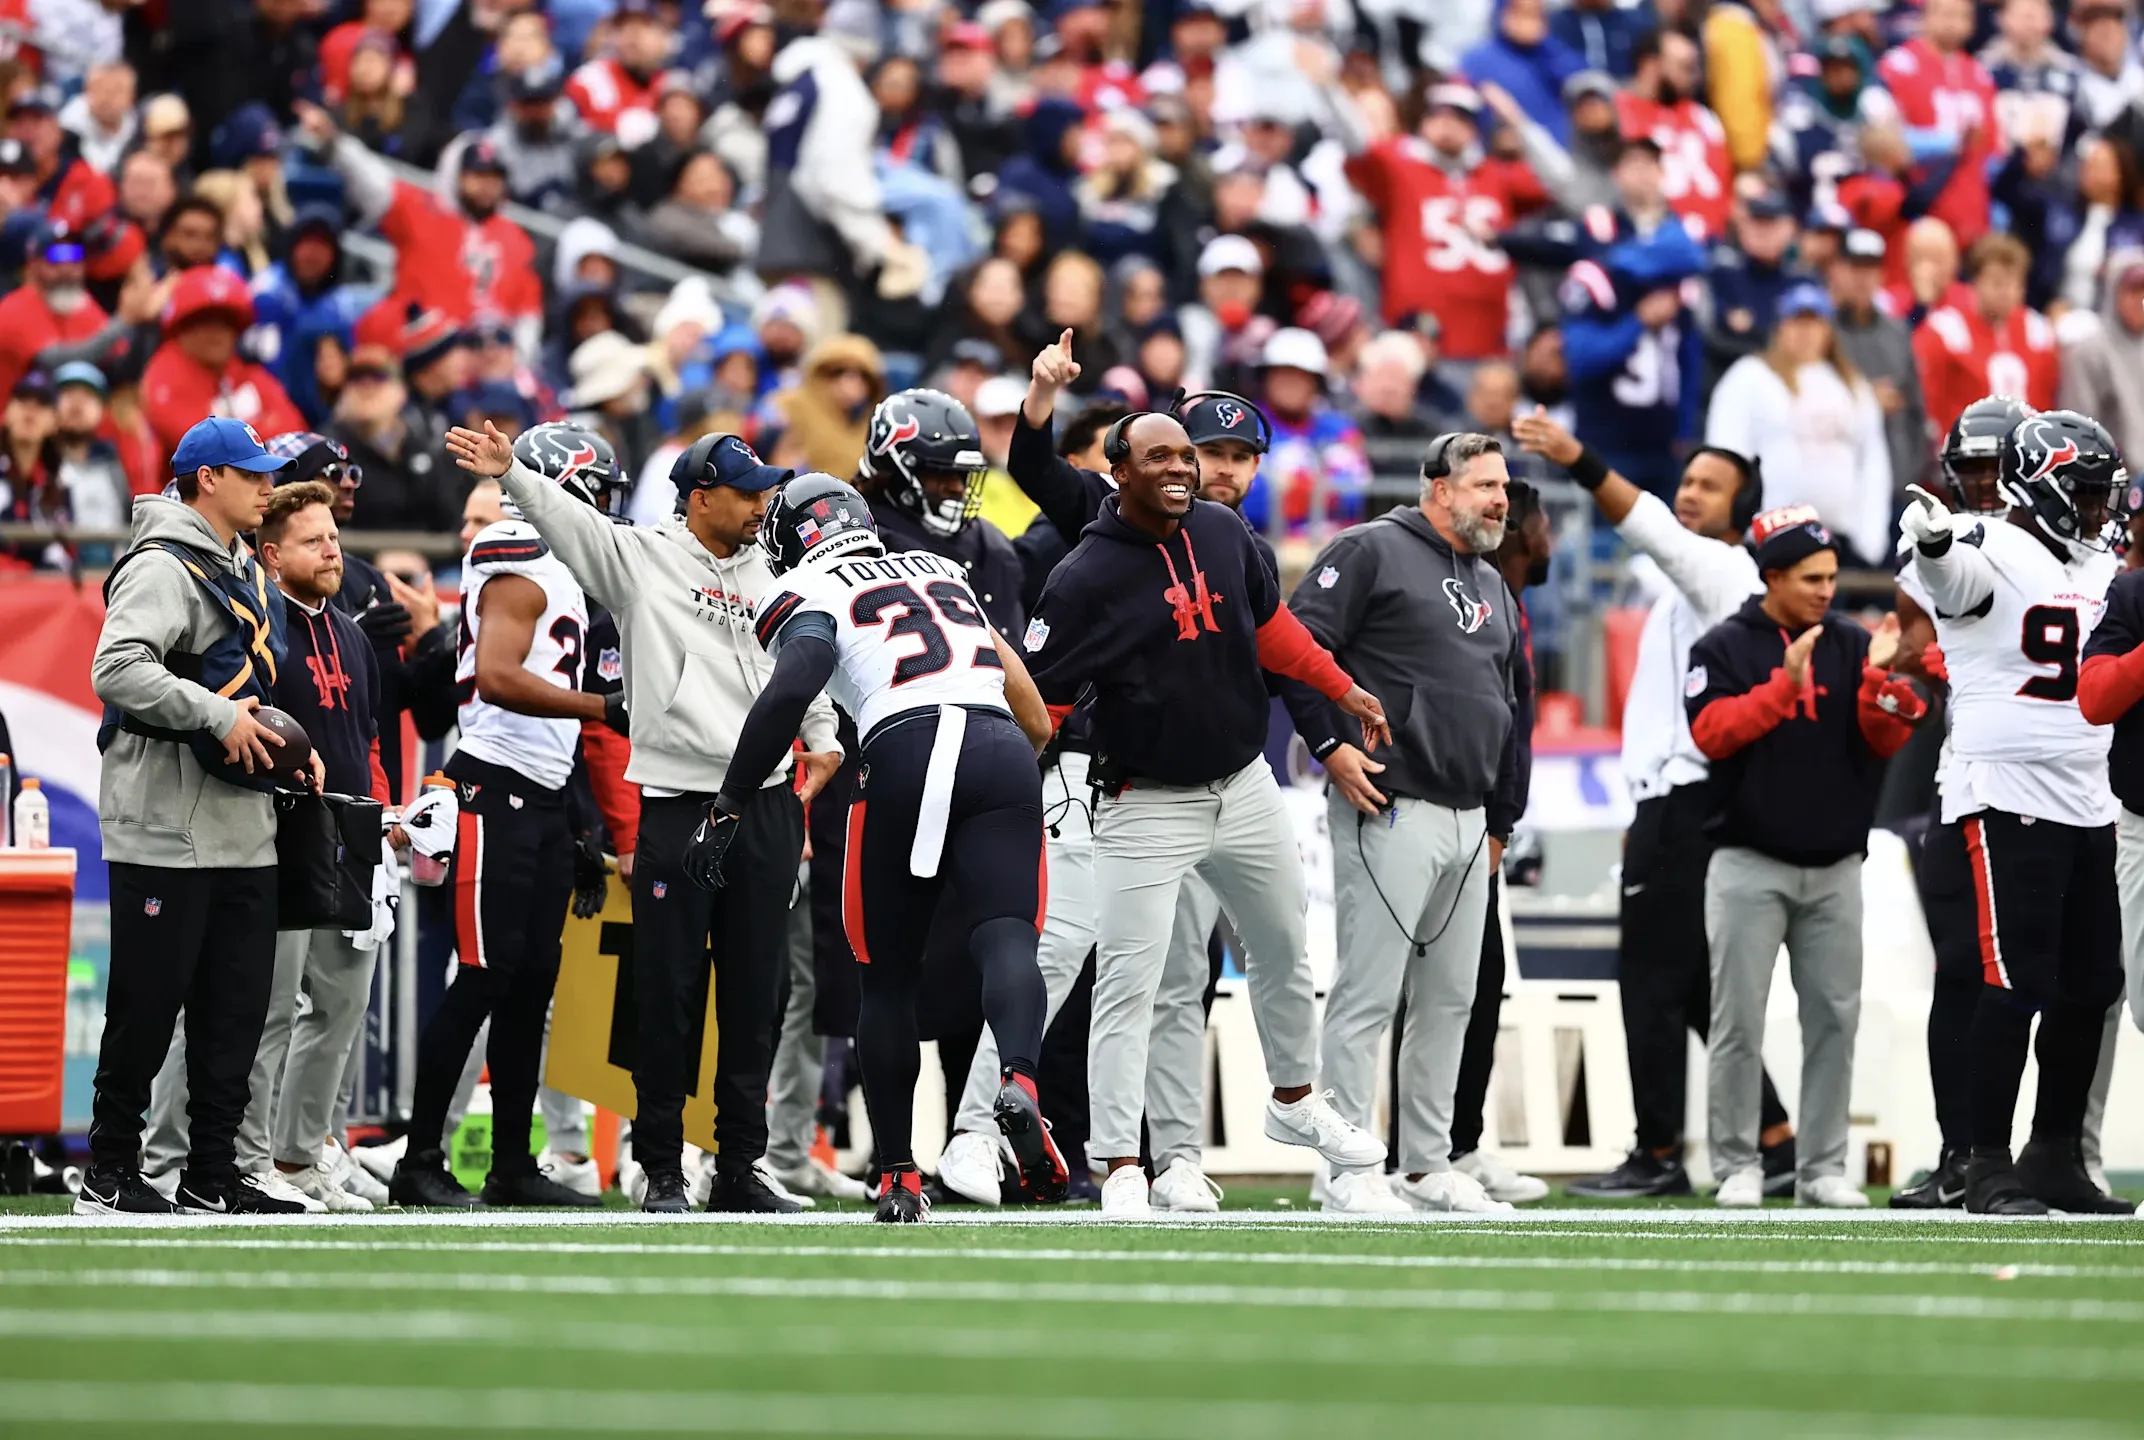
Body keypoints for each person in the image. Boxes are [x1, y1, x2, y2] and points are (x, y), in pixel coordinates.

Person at [444, 423, 842, 1214]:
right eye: (749, 490)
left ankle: (737, 1166)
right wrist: (512, 471)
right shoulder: (639, 557)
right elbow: (572, 522)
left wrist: (823, 736)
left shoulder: (774, 565)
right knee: (667, 996)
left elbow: (804, 657)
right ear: (701, 500)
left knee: (756, 996)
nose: (766, 501)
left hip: (762, 801)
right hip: (679, 803)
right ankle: (661, 1167)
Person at [1021, 409, 1392, 1217]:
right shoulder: (1083, 576)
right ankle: (1122, 1161)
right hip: (1145, 798)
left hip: (1244, 781)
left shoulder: (1224, 532)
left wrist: (1340, 687)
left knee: (1287, 949)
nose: (1181, 468)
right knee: (1130, 981)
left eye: (1186, 456)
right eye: (1159, 457)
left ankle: (1294, 1100)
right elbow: (1034, 694)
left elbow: (1272, 629)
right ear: (1118, 470)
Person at [692, 472, 1063, 1223]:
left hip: (903, 746)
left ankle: (899, 1173)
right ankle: (1020, 1082)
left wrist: (729, 802)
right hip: (998, 743)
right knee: (1007, 937)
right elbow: (1032, 707)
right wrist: (1005, 765)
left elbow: (794, 683)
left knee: (887, 977)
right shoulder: (939, 567)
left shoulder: (804, 584)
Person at [1513, 407, 1795, 1199]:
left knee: (1647, 978)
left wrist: (1579, 456)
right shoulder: (1711, 577)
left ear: (1742, 512)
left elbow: (1652, 529)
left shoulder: (1724, 568)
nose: (1692, 494)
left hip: (1685, 795)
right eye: (1689, 480)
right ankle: (1775, 1138)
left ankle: (1660, 1150)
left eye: (1711, 486)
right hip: (1681, 797)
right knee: (1696, 982)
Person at [1899, 411, 2134, 1215]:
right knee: (2013, 980)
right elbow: (1951, 583)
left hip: (2091, 794)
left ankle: (2053, 1153)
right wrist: (1933, 547)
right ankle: (1984, 1162)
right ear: (2044, 484)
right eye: (2090, 493)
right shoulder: (1986, 544)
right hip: (2007, 791)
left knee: (2094, 983)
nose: (2102, 509)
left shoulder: (2098, 562)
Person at [387, 423, 625, 1211]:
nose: (605, 511)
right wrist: (606, 707)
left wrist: (577, 826)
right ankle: (419, 1160)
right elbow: (495, 674)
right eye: (596, 494)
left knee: (532, 984)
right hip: (493, 788)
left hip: (541, 794)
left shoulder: (560, 563)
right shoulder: (520, 550)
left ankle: (514, 1166)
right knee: (484, 977)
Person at [77, 417, 312, 1216]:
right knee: (146, 1005)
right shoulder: (160, 566)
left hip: (241, 823)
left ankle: (213, 1175)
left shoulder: (242, 565)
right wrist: (217, 716)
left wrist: (289, 744)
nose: (266, 487)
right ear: (206, 479)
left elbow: (245, 688)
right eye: (252, 474)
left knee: (234, 1014)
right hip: (163, 820)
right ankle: (108, 1171)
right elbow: (116, 668)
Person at [1288, 433, 1523, 1214]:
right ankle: (1345, 1169)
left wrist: (1502, 819)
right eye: (1485, 484)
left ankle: (1426, 1165)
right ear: (1437, 486)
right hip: (1390, 804)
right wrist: (1330, 747)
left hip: (1468, 819)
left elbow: (1512, 709)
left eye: (1505, 486)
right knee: (1369, 994)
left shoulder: (1493, 581)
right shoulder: (1368, 550)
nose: (1500, 499)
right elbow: (1296, 647)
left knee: (1451, 999)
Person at [1686, 506, 1926, 1209]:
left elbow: (1885, 739)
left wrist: (1883, 685)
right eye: (1811, 578)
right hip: (1747, 862)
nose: (1827, 589)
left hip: (1835, 867)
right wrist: (1783, 686)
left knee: (1834, 1019)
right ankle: (1737, 1164)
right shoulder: (1723, 647)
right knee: (1737, 1020)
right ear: (1772, 577)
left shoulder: (1854, 643)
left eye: (1830, 576)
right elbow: (1713, 735)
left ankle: (1822, 1167)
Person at [249, 480, 398, 1210]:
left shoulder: (351, 632)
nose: (333, 550)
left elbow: (366, 736)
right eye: (314, 541)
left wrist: (385, 818)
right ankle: (246, 1163)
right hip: (282, 833)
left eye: (334, 537)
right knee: (271, 1009)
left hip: (350, 835)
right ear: (272, 555)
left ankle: (299, 1157)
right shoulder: (260, 626)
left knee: (340, 1006)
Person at [1448, 478, 1553, 1205]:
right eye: (1543, 525)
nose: (1552, 542)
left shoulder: (1507, 607)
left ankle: (1457, 1144)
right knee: (1436, 989)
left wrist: (1503, 819)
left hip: (1485, 820)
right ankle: (1403, 1149)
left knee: (1481, 985)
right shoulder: (1477, 604)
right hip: (1447, 812)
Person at [1341, 81, 1546, 352]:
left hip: (1490, 337)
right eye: (1439, 114)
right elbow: (1357, 148)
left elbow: (1562, 184)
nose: (1447, 124)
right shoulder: (1400, 165)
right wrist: (1328, 90)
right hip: (1418, 339)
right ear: (1423, 121)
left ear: (1474, 129)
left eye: (1460, 117)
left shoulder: (1497, 175)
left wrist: (1519, 124)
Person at [1705, 282, 1893, 565]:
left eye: (1814, 323)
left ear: (1828, 329)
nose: (1805, 333)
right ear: (1780, 327)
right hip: (1769, 536)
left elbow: (1873, 465)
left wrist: (1871, 538)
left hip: (1840, 537)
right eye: (1796, 322)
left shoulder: (1852, 385)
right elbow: (1726, 456)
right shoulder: (1750, 377)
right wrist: (1736, 530)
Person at [1912, 235, 2058, 443]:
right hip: (1966, 457)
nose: (2006, 292)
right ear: (1975, 282)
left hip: (2025, 456)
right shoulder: (1946, 329)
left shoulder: (2038, 331)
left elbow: (2047, 400)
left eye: (2014, 283)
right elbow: (1927, 396)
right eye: (1997, 283)